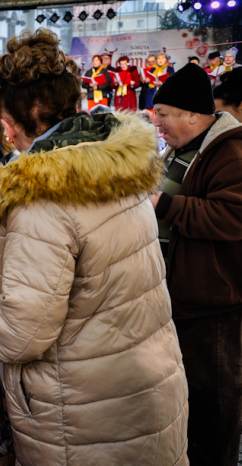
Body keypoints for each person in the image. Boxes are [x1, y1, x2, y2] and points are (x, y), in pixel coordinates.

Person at [0, 29, 188, 466]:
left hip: (85, 417)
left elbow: (22, 335)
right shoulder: (110, 162)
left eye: (6, 118)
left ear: (30, 112)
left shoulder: (40, 193)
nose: (6, 131)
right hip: (143, 387)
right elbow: (91, 248)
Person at [150, 63, 242, 466]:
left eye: (164, 114)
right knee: (188, 413)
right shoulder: (180, 150)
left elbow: (231, 216)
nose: (158, 124)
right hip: (181, 305)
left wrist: (162, 204)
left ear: (192, 114)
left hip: (216, 311)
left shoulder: (232, 152)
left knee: (214, 414)